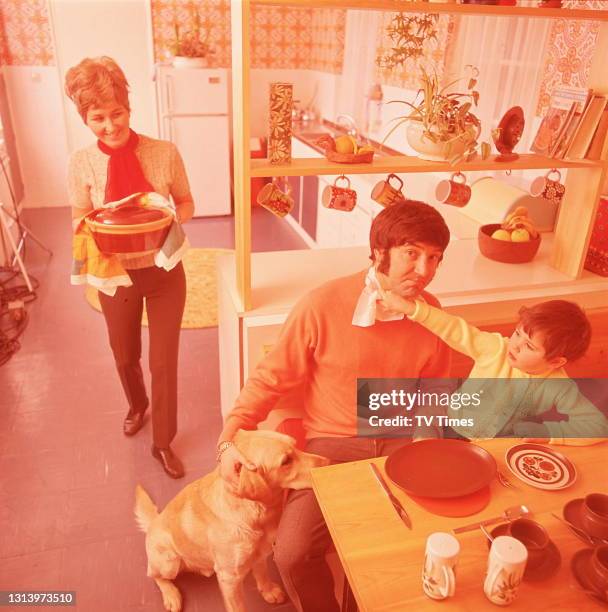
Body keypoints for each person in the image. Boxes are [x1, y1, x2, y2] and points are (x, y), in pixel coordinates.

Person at [216, 200, 452, 611]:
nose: (425, 271)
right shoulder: (322, 304)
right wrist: (228, 440)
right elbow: (270, 378)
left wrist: (427, 440)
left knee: (417, 536)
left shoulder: (432, 312)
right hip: (331, 446)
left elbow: (436, 389)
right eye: (412, 254)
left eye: (434, 259)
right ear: (379, 252)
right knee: (290, 552)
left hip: (400, 443)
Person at [65, 57, 194, 478]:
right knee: (124, 356)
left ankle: (163, 442)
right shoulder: (81, 163)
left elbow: (187, 202)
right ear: (85, 118)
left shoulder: (164, 153)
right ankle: (138, 405)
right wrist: (99, 232)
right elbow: (79, 216)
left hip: (162, 270)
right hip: (115, 273)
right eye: (97, 117)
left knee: (163, 361)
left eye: (116, 113)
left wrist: (168, 218)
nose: (109, 125)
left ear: (129, 108)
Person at [378, 292, 608, 444]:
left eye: (528, 345)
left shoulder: (558, 384)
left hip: (495, 446)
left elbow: (598, 427)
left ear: (556, 361)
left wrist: (549, 433)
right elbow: (454, 328)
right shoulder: (496, 348)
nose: (515, 345)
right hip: (449, 425)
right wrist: (412, 308)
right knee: (424, 442)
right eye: (517, 332)